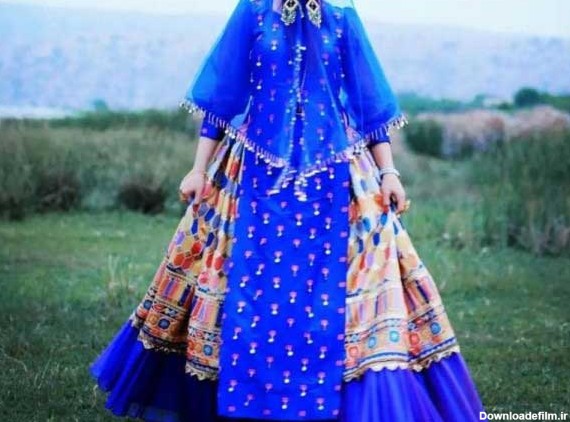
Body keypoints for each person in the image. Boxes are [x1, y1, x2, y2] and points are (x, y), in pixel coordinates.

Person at [89, 0, 487, 420]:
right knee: (233, 278)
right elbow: (223, 97)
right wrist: (198, 169)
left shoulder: (341, 19)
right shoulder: (253, 13)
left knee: (366, 279)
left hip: (336, 175)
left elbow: (369, 104)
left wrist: (389, 173)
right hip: (253, 177)